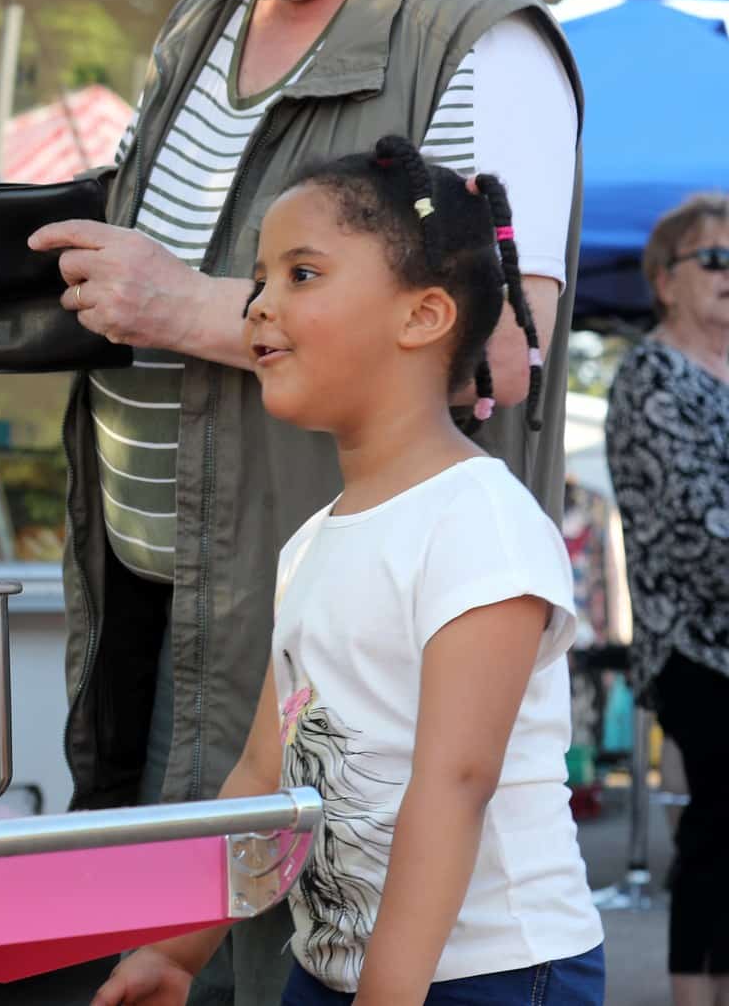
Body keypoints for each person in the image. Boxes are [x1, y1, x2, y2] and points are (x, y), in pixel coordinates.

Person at [23, 0, 582, 1002]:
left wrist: (185, 306)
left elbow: (503, 349)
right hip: (163, 614)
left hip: (319, 633)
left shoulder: (479, 35)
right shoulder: (201, 22)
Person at [92, 137, 602, 1006]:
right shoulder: (312, 544)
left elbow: (456, 782)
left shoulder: (479, 522)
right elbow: (262, 774)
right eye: (261, 277)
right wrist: (177, 951)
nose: (258, 304)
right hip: (336, 973)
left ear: (423, 316)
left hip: (494, 976)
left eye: (302, 274)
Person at [604, 192, 729, 1006]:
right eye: (714, 259)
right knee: (720, 825)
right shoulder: (649, 374)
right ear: (663, 279)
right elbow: (698, 524)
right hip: (694, 644)